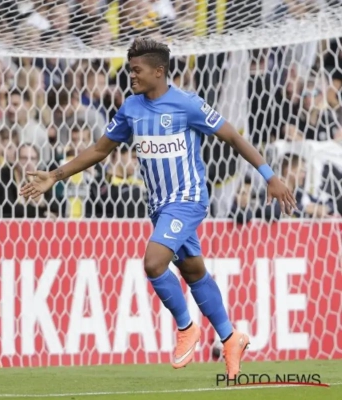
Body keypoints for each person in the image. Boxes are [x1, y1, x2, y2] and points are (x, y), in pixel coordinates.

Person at [20, 38, 297, 379]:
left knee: (153, 262)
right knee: (193, 271)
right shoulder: (130, 108)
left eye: (137, 70)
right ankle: (230, 337)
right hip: (160, 207)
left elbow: (234, 138)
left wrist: (270, 176)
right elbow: (99, 150)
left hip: (188, 200)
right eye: (130, 69)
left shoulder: (188, 105)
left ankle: (187, 328)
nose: (131, 76)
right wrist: (55, 175)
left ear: (159, 71)